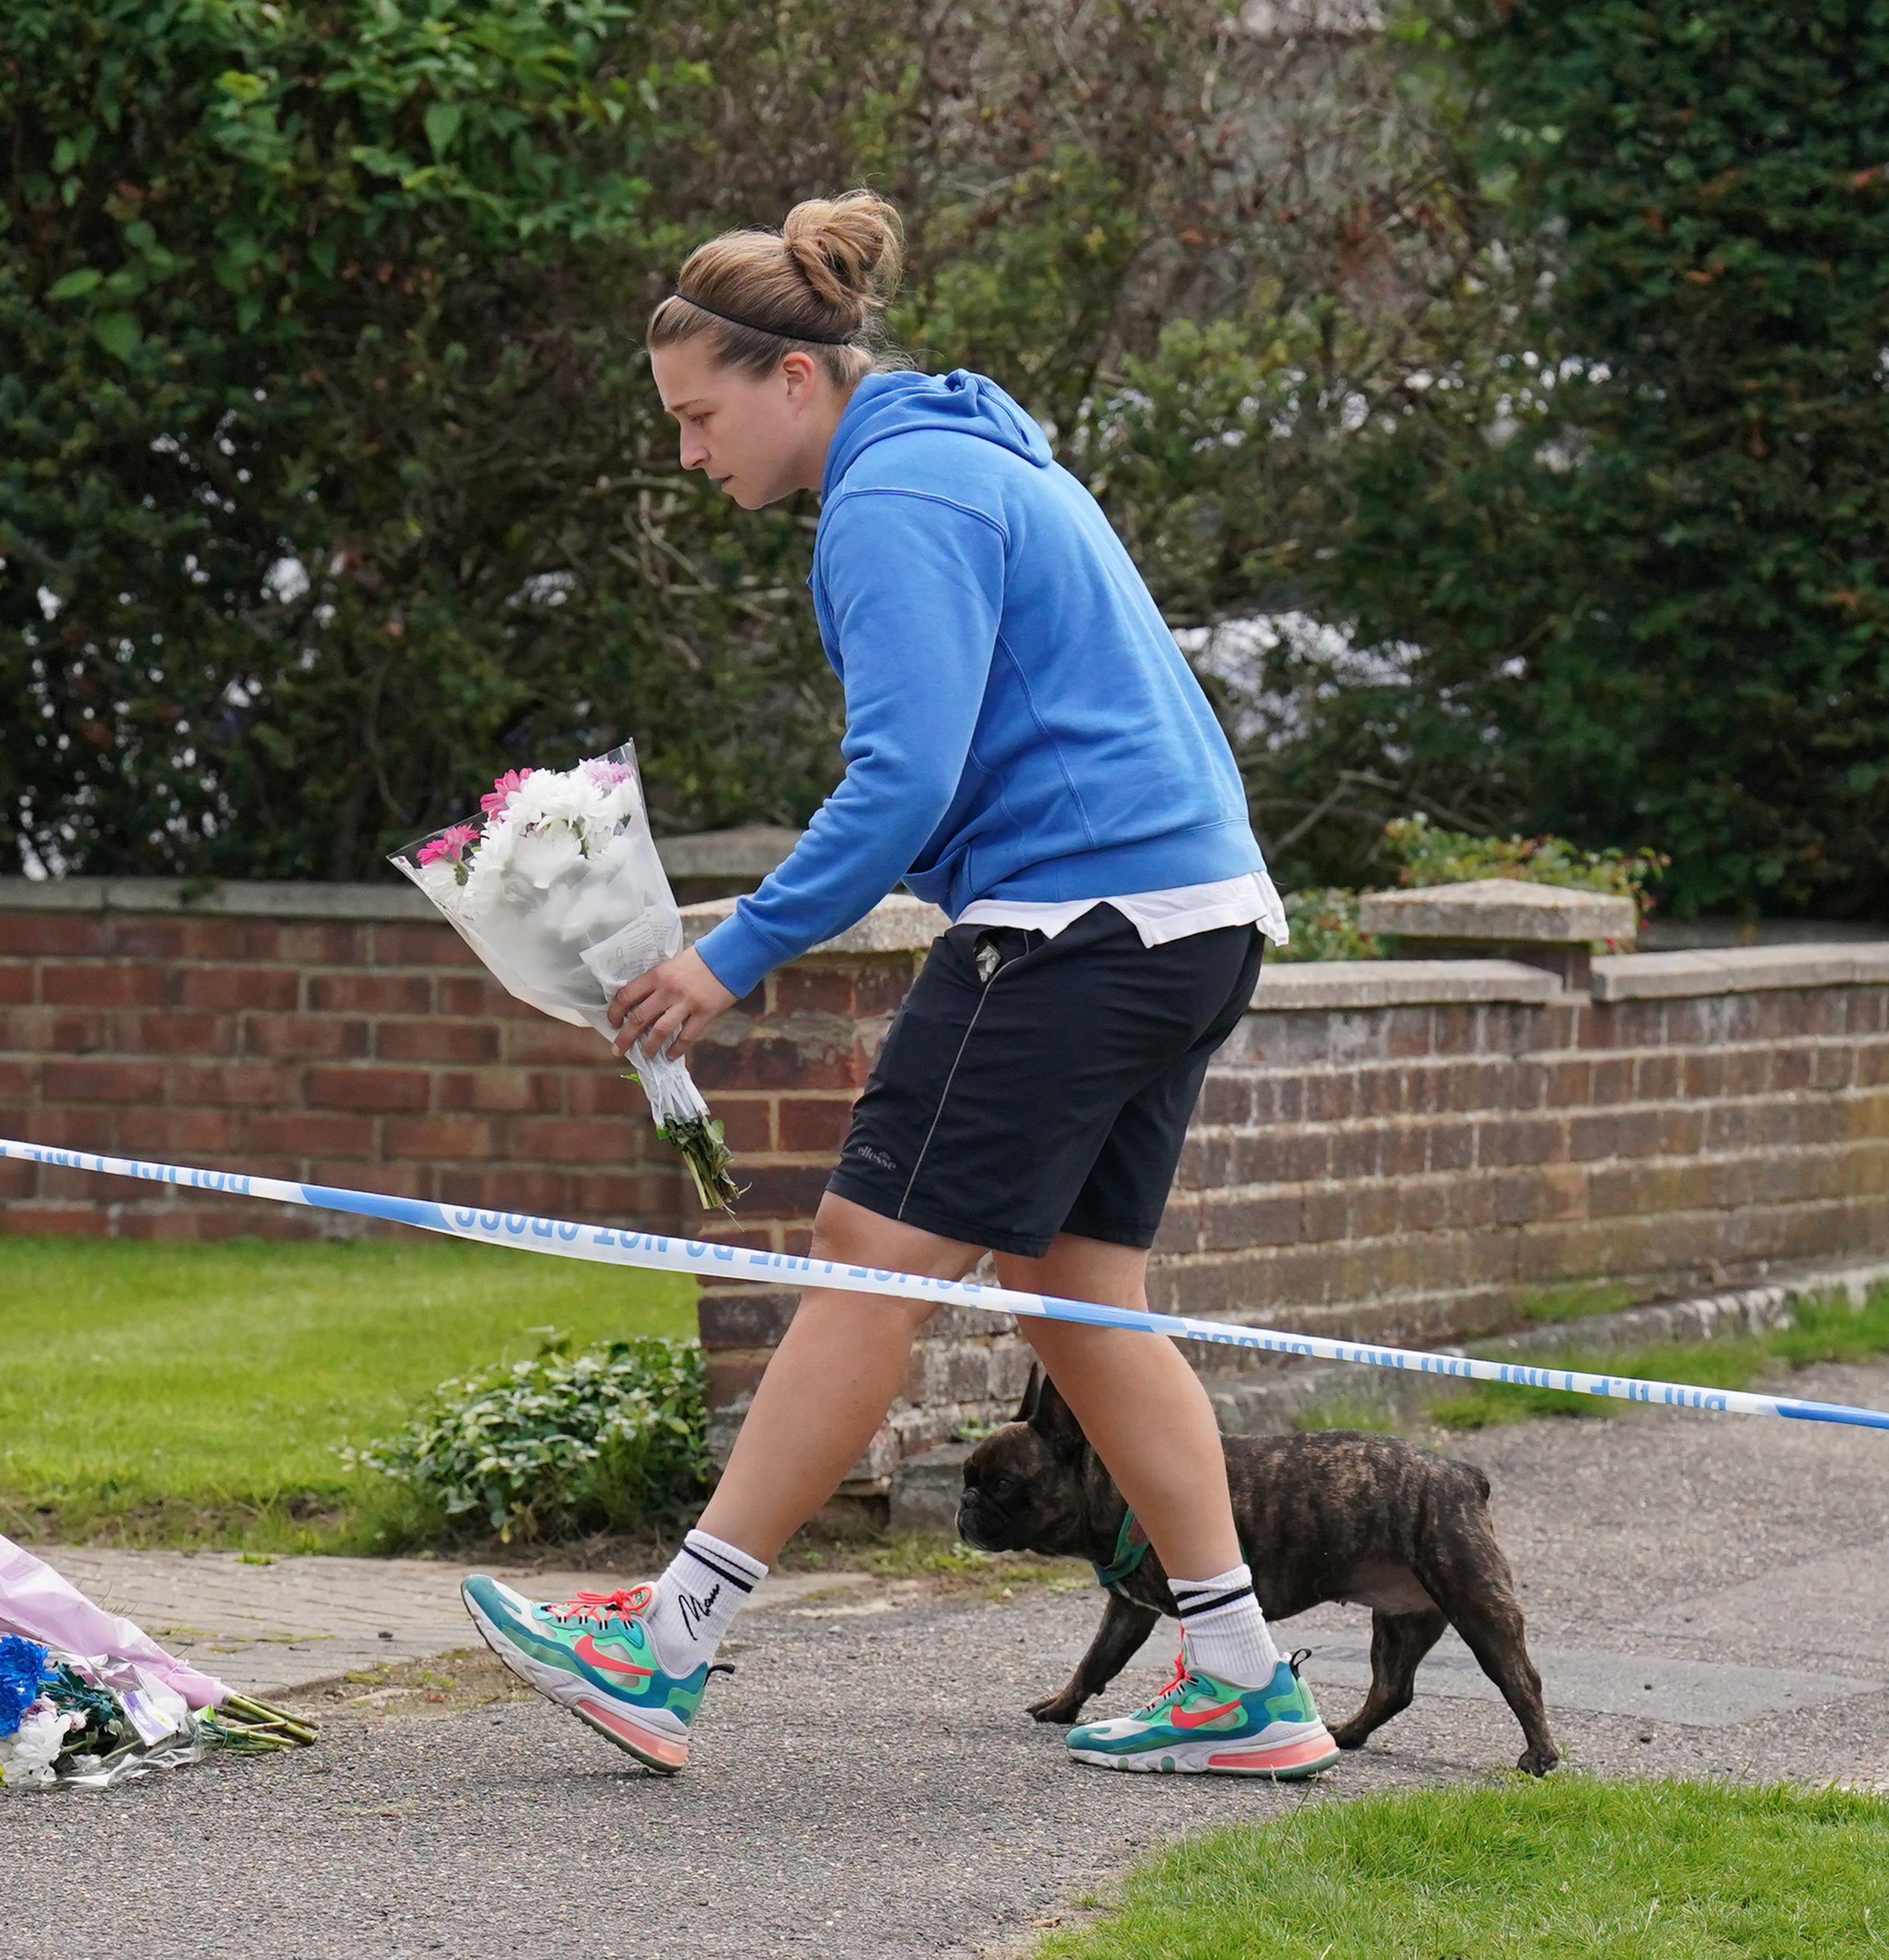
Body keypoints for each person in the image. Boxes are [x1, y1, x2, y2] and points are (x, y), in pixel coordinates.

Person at [459, 190, 1334, 1782]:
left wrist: (726, 956)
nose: (685, 452)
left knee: (866, 1254)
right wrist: (756, 908)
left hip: (1070, 927)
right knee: (1077, 1297)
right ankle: (1241, 1674)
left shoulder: (893, 497)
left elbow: (900, 782)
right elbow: (954, 773)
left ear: (793, 378)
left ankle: (660, 1646)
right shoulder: (962, 449)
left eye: (696, 414)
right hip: (1192, 915)